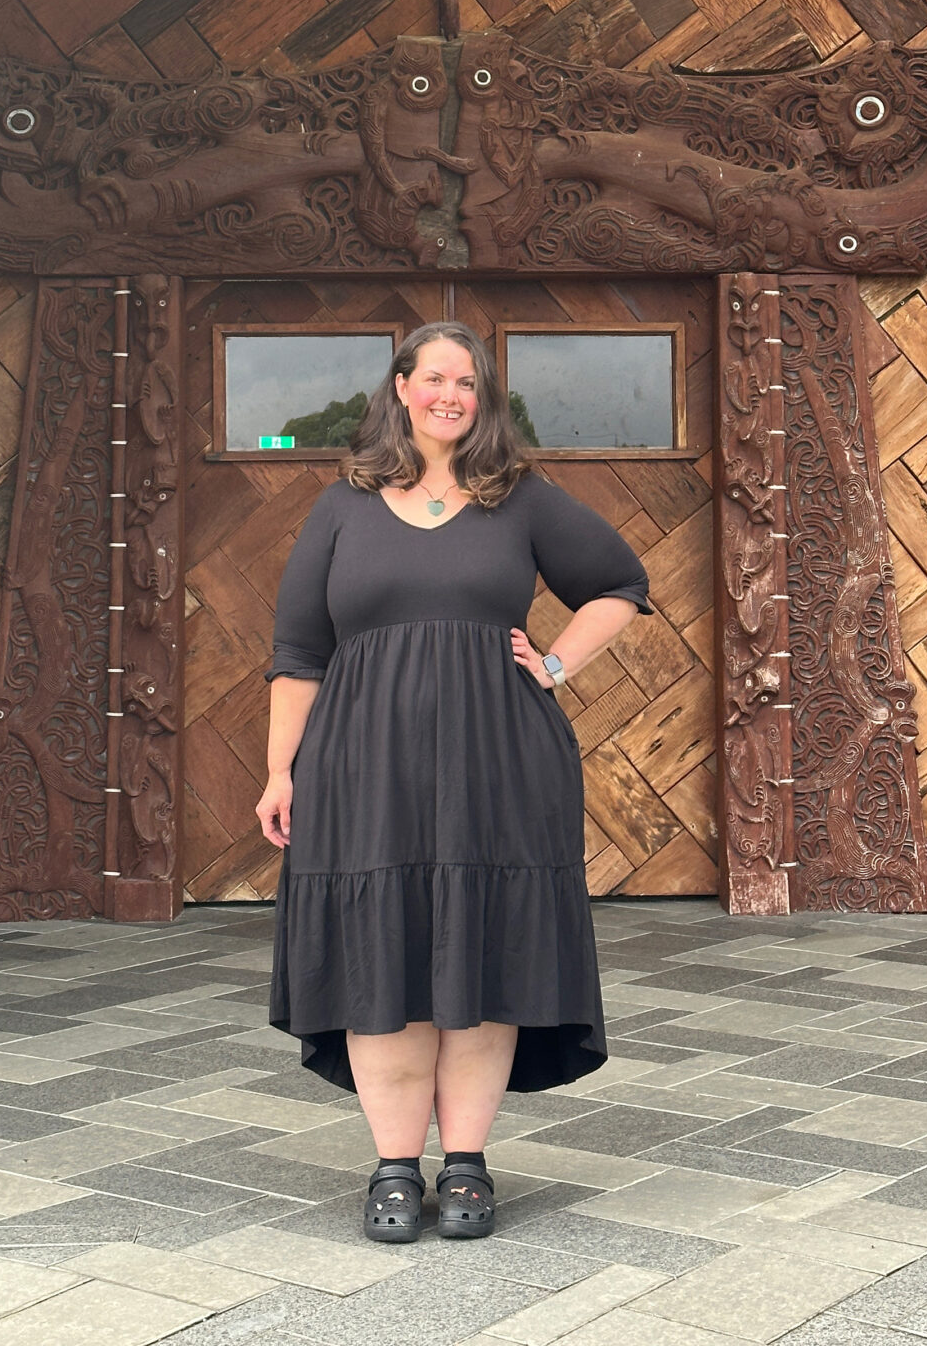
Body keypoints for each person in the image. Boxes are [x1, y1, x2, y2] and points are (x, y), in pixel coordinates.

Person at [256, 321, 652, 1243]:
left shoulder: (518, 499)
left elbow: (620, 584)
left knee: (485, 950)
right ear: (399, 387)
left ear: (484, 399)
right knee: (382, 956)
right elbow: (298, 653)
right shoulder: (342, 506)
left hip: (501, 761)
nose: (450, 395)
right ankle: (395, 1168)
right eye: (434, 377)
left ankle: (466, 1164)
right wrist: (282, 770)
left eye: (467, 383)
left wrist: (552, 666)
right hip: (362, 766)